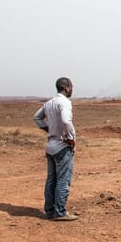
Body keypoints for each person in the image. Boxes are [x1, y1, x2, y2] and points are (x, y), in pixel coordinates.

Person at [34, 77, 78, 221]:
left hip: (50, 146)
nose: (72, 89)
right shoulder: (65, 102)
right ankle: (60, 212)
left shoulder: (49, 103)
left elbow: (37, 118)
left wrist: (49, 129)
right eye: (71, 87)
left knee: (51, 180)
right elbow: (66, 120)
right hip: (62, 146)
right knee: (63, 181)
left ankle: (49, 210)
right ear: (66, 88)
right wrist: (70, 137)